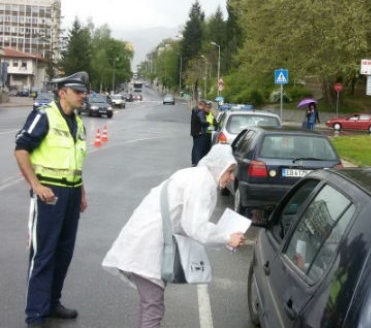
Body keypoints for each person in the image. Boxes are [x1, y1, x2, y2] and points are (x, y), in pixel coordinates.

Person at [102, 144, 245, 328]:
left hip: (145, 239)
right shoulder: (204, 182)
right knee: (153, 308)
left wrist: (221, 236)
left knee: (150, 306)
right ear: (219, 167)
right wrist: (227, 237)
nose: (232, 177)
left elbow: (187, 222)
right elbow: (196, 227)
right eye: (230, 171)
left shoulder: (196, 176)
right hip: (148, 245)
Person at [14, 71, 90, 328]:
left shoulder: (78, 122)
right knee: (43, 255)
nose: (83, 95)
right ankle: (35, 314)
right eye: (78, 91)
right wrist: (36, 185)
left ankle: (52, 303)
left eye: (84, 91)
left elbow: (75, 161)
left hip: (71, 194)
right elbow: (21, 149)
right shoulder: (45, 115)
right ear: (63, 92)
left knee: (64, 253)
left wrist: (81, 191)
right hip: (49, 195)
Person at [190, 100, 208, 166]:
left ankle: (193, 161)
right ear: (202, 105)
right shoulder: (200, 112)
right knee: (198, 148)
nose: (205, 108)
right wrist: (208, 122)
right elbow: (203, 122)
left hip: (194, 132)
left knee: (195, 147)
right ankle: (197, 163)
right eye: (204, 106)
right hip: (199, 132)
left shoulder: (195, 110)